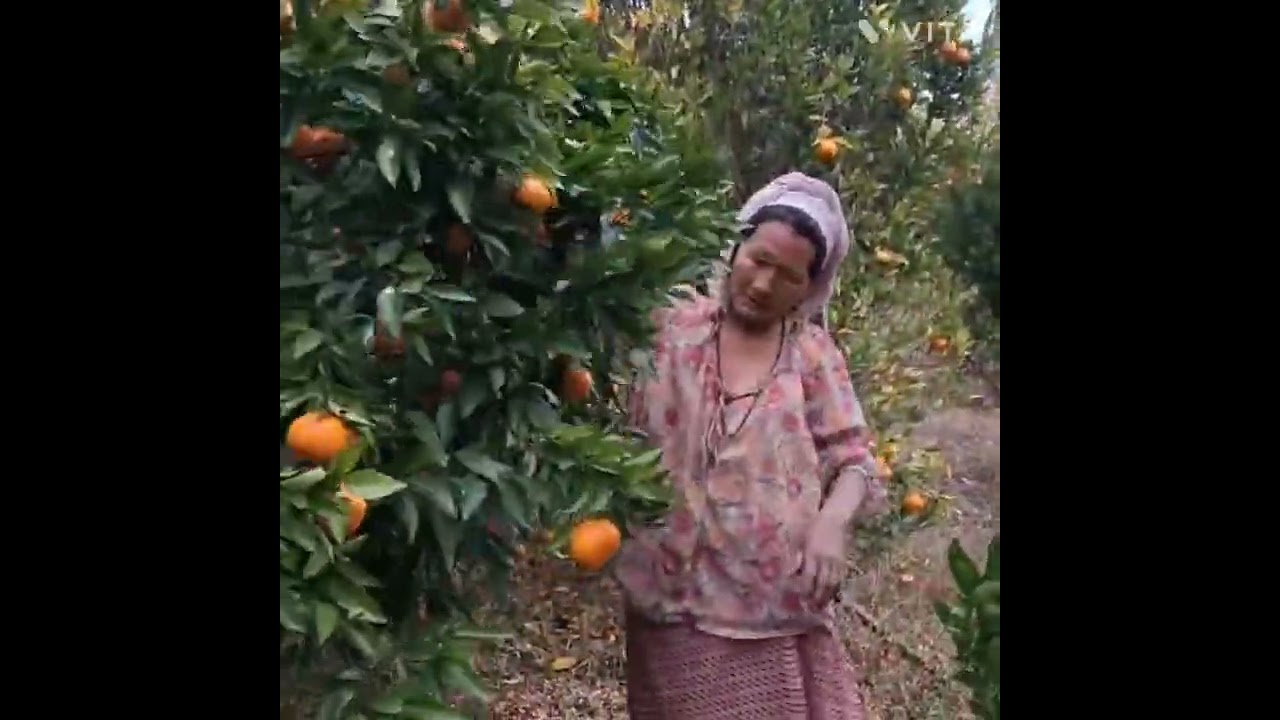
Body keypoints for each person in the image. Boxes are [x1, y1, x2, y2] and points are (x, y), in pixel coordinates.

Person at [615, 172, 888, 719]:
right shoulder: (668, 329)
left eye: (787, 276)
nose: (763, 284)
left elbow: (854, 460)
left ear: (810, 287)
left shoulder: (810, 355)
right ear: (735, 246)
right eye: (758, 260)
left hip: (774, 609)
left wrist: (831, 524)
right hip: (671, 599)